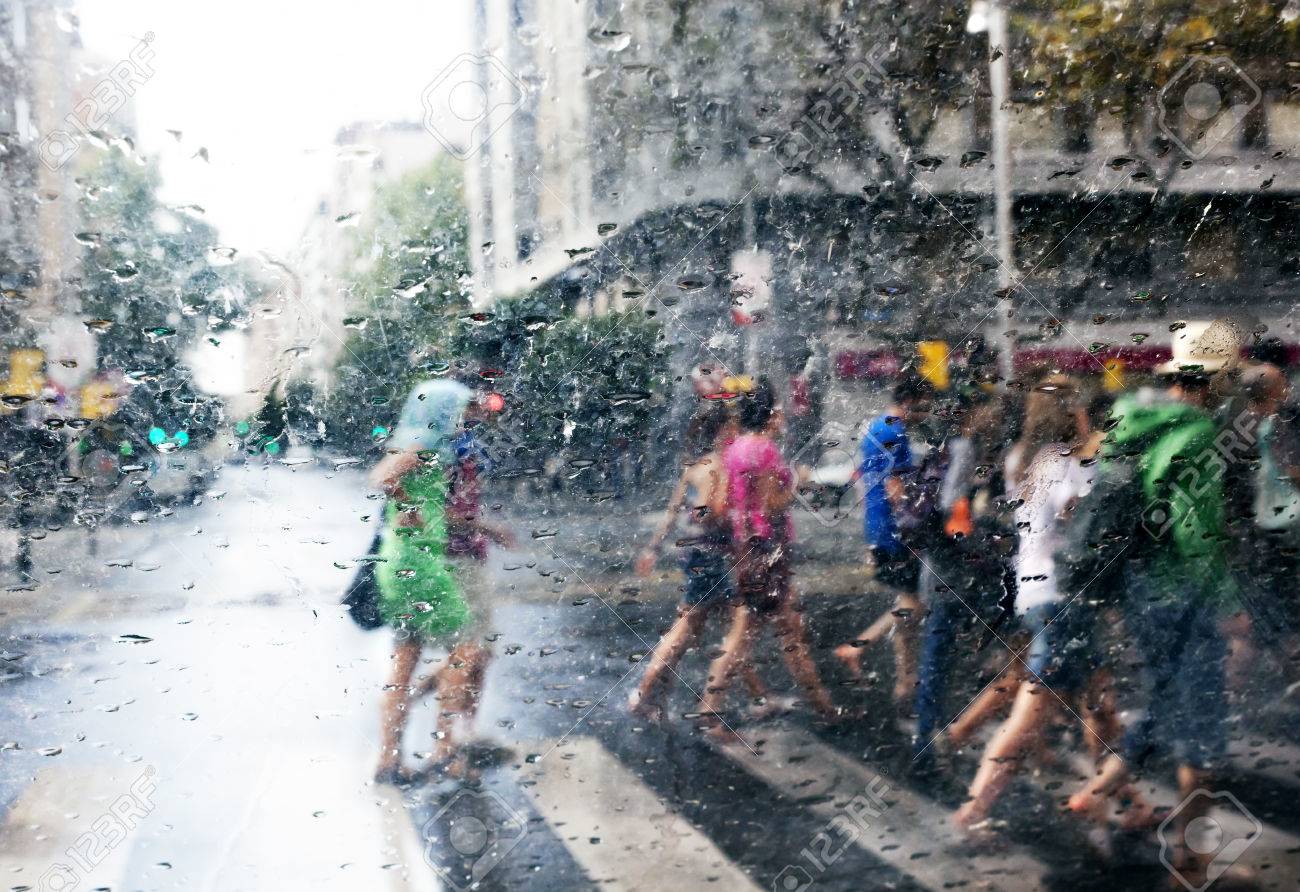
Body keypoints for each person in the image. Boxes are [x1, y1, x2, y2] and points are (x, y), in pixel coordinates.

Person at [1067, 320, 1243, 883]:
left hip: (1140, 589)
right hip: (1182, 594)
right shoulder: (1197, 435)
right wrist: (1228, 602)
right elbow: (1197, 534)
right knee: (1203, 733)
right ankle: (1191, 862)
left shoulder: (1134, 426)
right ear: (1216, 381)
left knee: (1168, 704)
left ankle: (1099, 792)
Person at [952, 376, 1120, 838]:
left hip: (1034, 591)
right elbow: (1080, 518)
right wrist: (1096, 455)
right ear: (1072, 414)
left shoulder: (1022, 459)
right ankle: (974, 807)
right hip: (1059, 597)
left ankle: (1119, 800)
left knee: (1100, 701)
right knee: (1031, 712)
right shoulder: (1065, 464)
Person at [371, 379, 510, 784]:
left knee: (403, 663)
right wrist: (408, 502)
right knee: (468, 649)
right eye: (455, 409)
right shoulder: (423, 447)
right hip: (421, 565)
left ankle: (388, 760)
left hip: (398, 562)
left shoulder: (421, 446)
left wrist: (406, 501)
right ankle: (446, 750)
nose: (460, 417)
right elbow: (381, 478)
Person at [698, 377, 838, 738]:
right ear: (769, 411)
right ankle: (823, 707)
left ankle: (822, 704)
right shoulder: (765, 450)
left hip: (746, 546)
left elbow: (730, 502)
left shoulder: (735, 449)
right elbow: (772, 504)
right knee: (776, 630)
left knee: (761, 629)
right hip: (768, 547)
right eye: (777, 408)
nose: (782, 414)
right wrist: (798, 481)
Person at [629, 404, 773, 721]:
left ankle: (758, 696)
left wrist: (652, 548)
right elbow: (707, 512)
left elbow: (671, 513)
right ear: (722, 432)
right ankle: (647, 696)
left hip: (695, 555)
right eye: (732, 428)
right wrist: (733, 519)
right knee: (703, 629)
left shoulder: (694, 467)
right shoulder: (717, 468)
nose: (736, 433)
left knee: (711, 630)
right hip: (713, 557)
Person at [833, 376, 934, 709]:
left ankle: (905, 683)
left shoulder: (876, 428)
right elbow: (895, 491)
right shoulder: (894, 432)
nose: (928, 411)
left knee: (907, 608)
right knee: (915, 605)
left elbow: (867, 483)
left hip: (879, 530)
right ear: (911, 400)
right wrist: (919, 520)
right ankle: (858, 646)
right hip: (894, 533)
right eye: (925, 403)